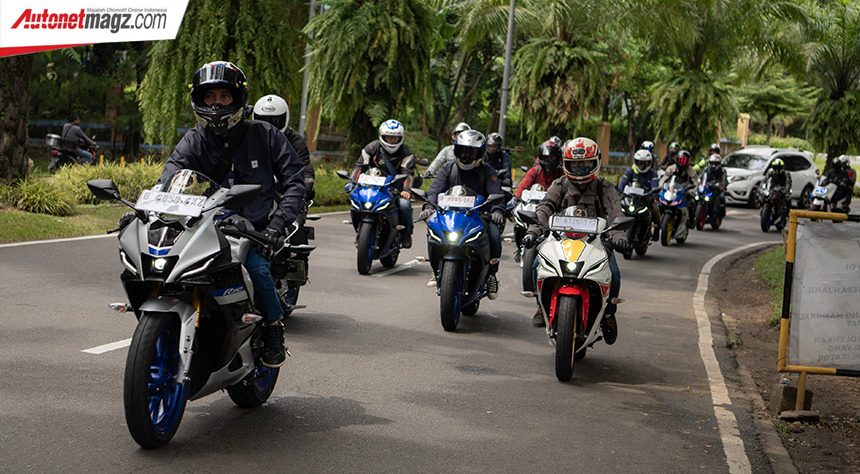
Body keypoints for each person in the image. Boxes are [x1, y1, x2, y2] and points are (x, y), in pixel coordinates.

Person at [156, 61, 306, 368]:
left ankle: (274, 327)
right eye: (210, 97)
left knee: (258, 269)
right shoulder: (194, 139)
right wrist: (152, 208)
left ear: (238, 99)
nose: (217, 104)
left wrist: (277, 225)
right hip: (204, 224)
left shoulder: (265, 135)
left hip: (255, 228)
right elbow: (170, 177)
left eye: (224, 97)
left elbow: (295, 181)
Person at [522, 137, 627, 338]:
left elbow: (616, 213)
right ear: (565, 164)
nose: (579, 170)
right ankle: (541, 305)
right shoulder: (559, 184)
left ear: (596, 162)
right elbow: (545, 207)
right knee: (536, 264)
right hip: (561, 240)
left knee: (613, 273)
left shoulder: (605, 187)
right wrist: (533, 231)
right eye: (575, 165)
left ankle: (608, 313)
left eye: (585, 164)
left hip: (597, 242)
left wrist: (619, 235)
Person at [419, 129, 505, 299]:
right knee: (432, 231)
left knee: (494, 235)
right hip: (449, 216)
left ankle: (491, 275)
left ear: (480, 153)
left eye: (471, 152)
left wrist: (497, 211)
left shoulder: (488, 171)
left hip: (478, 217)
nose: (465, 156)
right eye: (463, 151)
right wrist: (429, 207)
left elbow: (497, 194)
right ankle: (435, 269)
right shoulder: (448, 168)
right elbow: (435, 190)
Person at [350, 119, 416, 248]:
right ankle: (360, 231)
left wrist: (406, 190)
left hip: (395, 189)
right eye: (389, 137)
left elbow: (408, 173)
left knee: (405, 206)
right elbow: (359, 167)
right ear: (381, 136)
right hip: (371, 187)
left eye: (395, 138)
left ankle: (406, 234)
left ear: (401, 138)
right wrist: (352, 182)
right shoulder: (371, 148)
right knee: (355, 201)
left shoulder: (406, 152)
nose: (392, 141)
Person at [512, 139, 564, 259]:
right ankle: (519, 247)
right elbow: (523, 186)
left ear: (558, 158)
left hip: (554, 209)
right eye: (546, 158)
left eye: (552, 158)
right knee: (519, 222)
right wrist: (516, 199)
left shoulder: (562, 175)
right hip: (534, 207)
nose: (549, 161)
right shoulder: (535, 171)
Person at [618, 149, 661, 240]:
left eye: (644, 163)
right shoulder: (630, 171)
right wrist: (619, 192)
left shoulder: (653, 174)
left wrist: (654, 197)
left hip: (646, 198)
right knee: (618, 207)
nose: (641, 165)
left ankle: (657, 228)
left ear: (649, 163)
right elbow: (623, 182)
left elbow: (655, 186)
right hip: (631, 198)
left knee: (655, 209)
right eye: (639, 162)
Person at [660, 149, 698, 227]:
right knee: (659, 201)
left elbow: (695, 183)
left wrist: (692, 191)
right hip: (672, 189)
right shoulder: (671, 168)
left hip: (684, 190)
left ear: (688, 161)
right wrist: (660, 186)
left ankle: (691, 220)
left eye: (684, 160)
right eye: (680, 160)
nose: (682, 163)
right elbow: (664, 178)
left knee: (692, 202)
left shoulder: (691, 171)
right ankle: (657, 221)